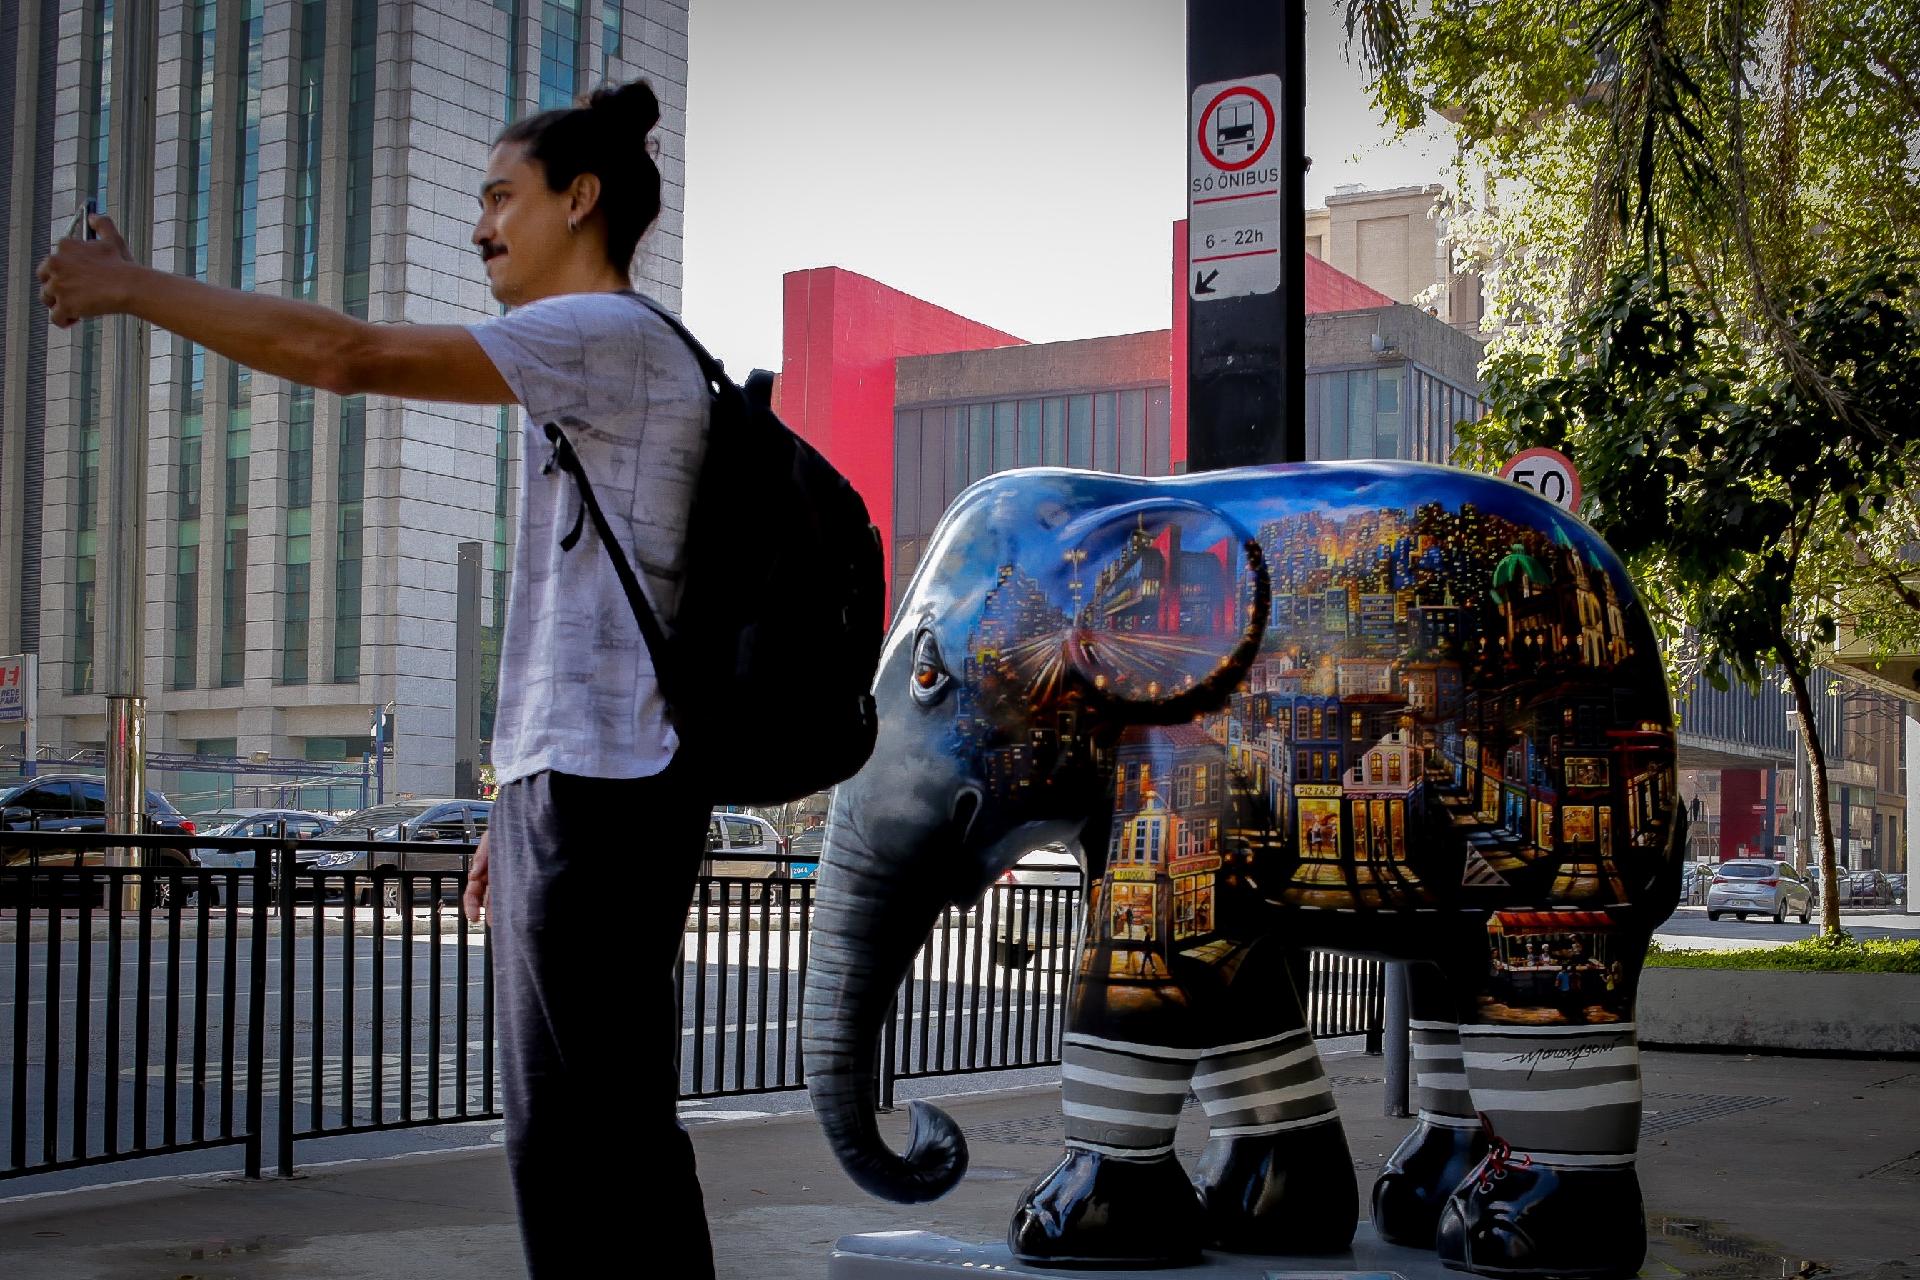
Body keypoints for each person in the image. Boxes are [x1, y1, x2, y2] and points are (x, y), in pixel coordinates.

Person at [39, 79, 717, 1278]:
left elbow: (347, 356)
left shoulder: (603, 336)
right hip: (590, 784)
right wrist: (514, 799)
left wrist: (133, 286)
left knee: (582, 1139)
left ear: (582, 197)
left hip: (606, 792)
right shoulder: (597, 361)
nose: (481, 228)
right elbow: (582, 626)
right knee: (588, 1130)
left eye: (502, 197)